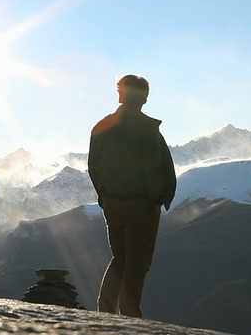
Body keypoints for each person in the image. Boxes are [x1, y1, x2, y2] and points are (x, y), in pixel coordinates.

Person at [88, 74, 177, 318]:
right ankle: (131, 317)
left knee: (120, 257)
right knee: (137, 264)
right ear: (145, 99)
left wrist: (104, 197)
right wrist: (156, 199)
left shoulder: (101, 127)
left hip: (113, 203)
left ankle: (105, 311)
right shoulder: (147, 130)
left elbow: (93, 166)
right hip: (141, 204)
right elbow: (153, 166)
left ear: (120, 95)